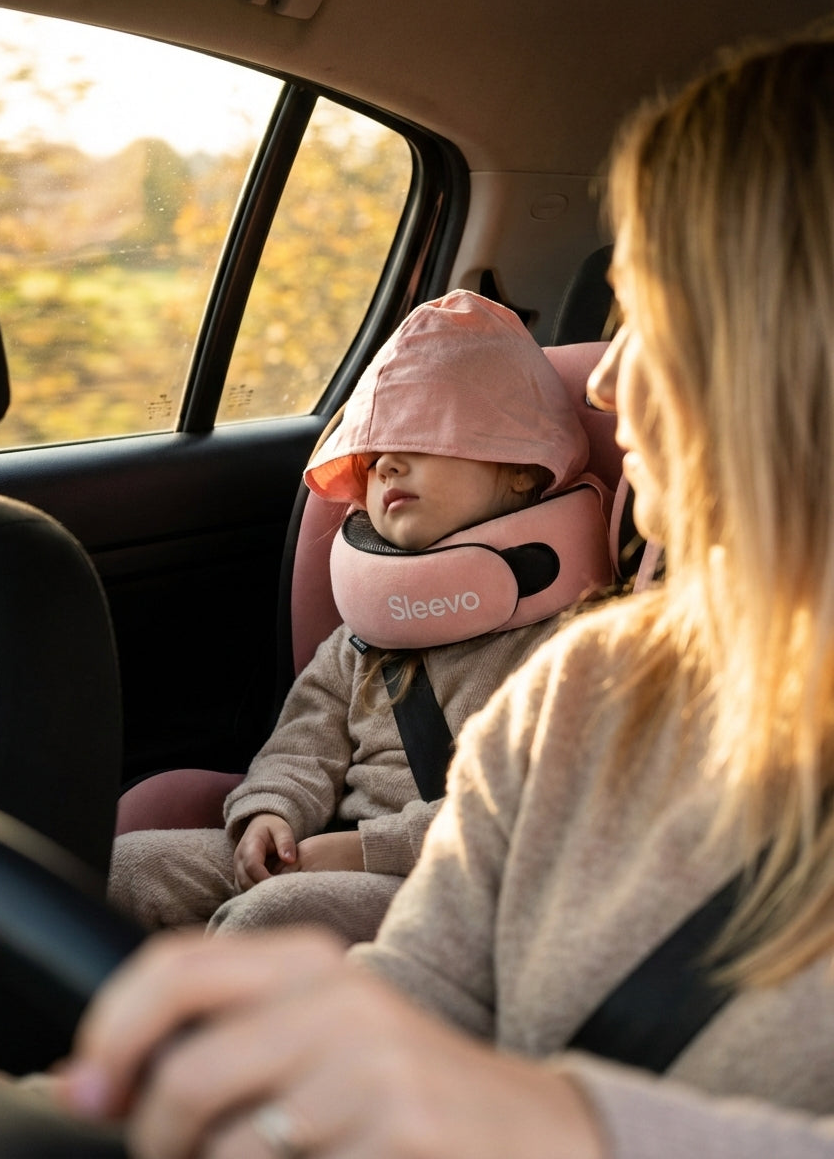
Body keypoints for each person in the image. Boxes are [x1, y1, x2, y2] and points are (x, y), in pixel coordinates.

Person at [57, 29, 834, 1158]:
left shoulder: (548, 649)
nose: (606, 383)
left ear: (788, 361)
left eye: (652, 322)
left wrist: (558, 1126)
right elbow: (422, 978)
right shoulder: (589, 688)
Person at [107, 287, 611, 943]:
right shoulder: (363, 642)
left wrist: (365, 850)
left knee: (267, 921)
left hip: (468, 885)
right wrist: (271, 813)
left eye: (420, 437)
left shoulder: (574, 644)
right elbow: (301, 749)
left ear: (521, 468)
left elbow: (542, 811)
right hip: (325, 853)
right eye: (371, 460)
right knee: (126, 870)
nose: (388, 464)